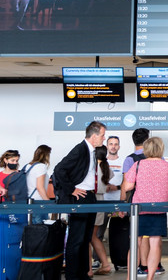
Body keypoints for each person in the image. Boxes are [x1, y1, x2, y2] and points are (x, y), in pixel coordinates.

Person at [53, 120, 107, 280]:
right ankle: (72, 276)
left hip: (90, 196)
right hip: (80, 197)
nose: (104, 139)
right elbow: (59, 169)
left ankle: (83, 274)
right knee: (76, 239)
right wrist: (72, 189)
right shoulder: (80, 149)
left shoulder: (92, 151)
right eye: (103, 136)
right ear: (94, 135)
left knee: (85, 238)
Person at [121, 137, 168, 280]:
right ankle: (150, 277)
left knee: (135, 243)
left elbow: (128, 186)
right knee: (155, 243)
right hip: (159, 209)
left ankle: (130, 277)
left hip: (139, 209)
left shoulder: (138, 164)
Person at [89, 146, 113, 276]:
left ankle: (88, 270)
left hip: (91, 200)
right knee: (93, 236)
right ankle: (105, 264)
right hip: (101, 202)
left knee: (88, 236)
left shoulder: (91, 168)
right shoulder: (106, 168)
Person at [25, 144, 52, 223]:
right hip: (39, 202)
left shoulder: (28, 166)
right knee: (40, 231)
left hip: (28, 201)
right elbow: (40, 187)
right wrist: (48, 203)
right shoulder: (41, 167)